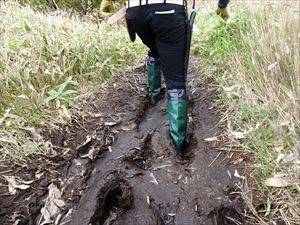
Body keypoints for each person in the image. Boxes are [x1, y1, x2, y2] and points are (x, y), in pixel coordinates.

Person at [103, 0, 230, 150]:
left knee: (155, 49)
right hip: (169, 10)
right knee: (175, 81)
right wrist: (222, 5)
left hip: (136, 12)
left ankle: (154, 95)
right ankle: (178, 142)